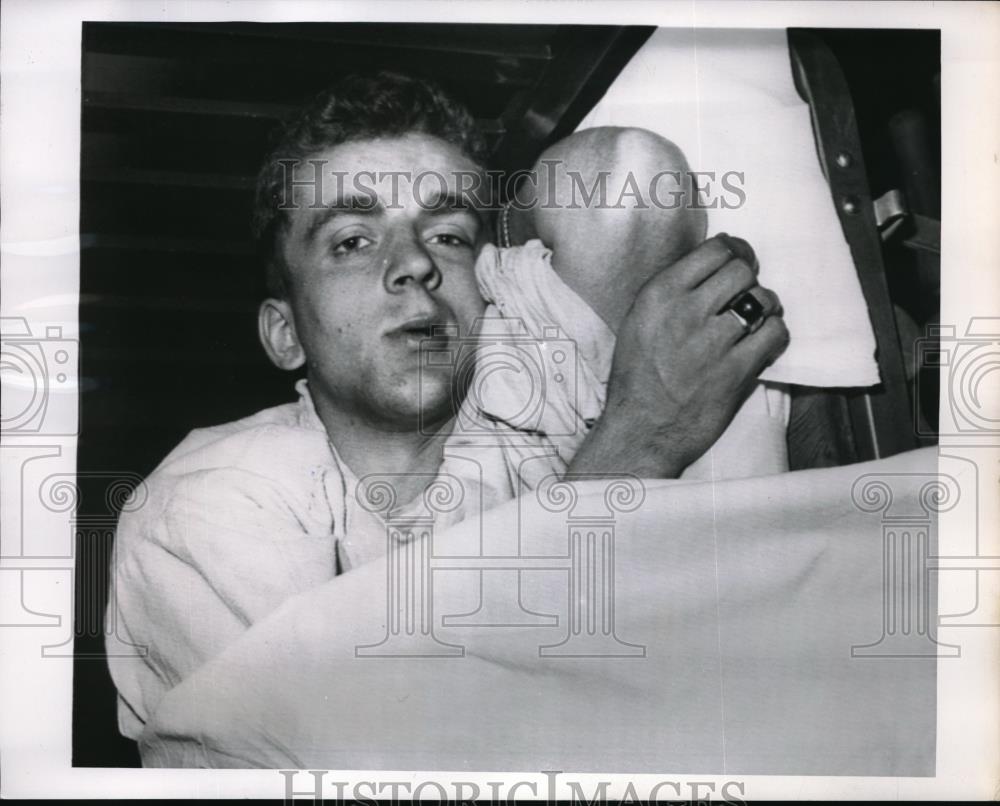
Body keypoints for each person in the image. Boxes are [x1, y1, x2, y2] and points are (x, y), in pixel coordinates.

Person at [106, 72, 788, 745]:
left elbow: (626, 176)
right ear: (286, 334)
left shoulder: (527, 420)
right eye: (351, 239)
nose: (413, 264)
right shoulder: (215, 500)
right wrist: (640, 444)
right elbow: (371, 767)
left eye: (449, 235)